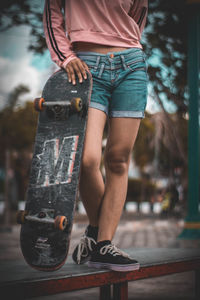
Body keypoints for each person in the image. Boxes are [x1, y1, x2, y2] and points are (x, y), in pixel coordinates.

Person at [43, 0, 148, 272]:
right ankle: (96, 233)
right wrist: (66, 57)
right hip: (85, 68)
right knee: (87, 160)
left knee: (118, 160)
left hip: (132, 65)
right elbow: (53, 15)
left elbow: (136, 17)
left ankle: (103, 244)